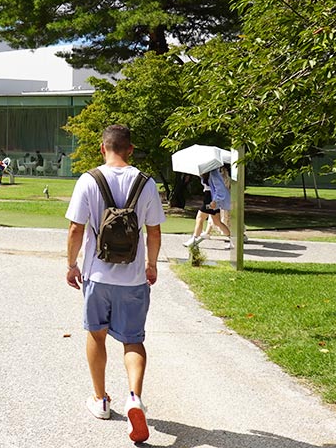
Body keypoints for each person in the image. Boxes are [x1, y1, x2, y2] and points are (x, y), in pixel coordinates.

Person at [65, 124, 165, 443]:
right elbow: (155, 232)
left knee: (96, 336)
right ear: (130, 149)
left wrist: (71, 265)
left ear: (102, 148)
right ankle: (134, 397)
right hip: (133, 279)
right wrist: (150, 265)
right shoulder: (146, 183)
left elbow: (75, 230)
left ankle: (101, 400)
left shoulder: (88, 180)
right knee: (132, 341)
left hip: (97, 276)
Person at [183, 166, 232, 249]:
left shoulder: (213, 173)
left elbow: (220, 189)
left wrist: (215, 201)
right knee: (217, 222)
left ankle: (194, 239)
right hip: (209, 198)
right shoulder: (206, 173)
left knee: (199, 218)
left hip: (210, 199)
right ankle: (233, 240)